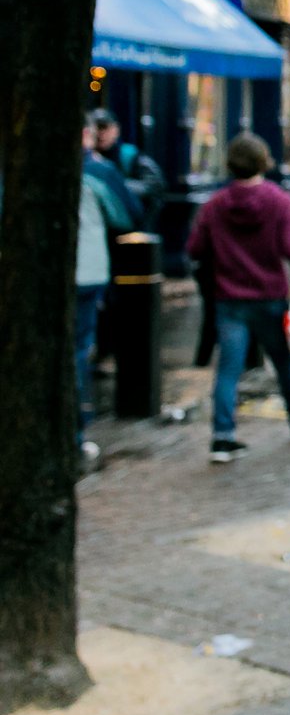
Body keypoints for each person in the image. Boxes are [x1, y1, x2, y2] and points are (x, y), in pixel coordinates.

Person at [184, 133, 290, 464]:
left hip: (229, 298)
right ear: (264, 162)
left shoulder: (214, 206)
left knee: (228, 369)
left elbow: (194, 249)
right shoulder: (280, 202)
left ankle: (222, 437)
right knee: (282, 360)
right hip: (269, 296)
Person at [77, 123, 142, 469]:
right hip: (86, 272)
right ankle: (75, 431)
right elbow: (128, 215)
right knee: (76, 349)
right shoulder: (98, 172)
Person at [89, 108, 165, 231]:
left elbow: (154, 185)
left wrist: (120, 186)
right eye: (96, 129)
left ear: (116, 130)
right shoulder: (88, 159)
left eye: (105, 128)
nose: (100, 134)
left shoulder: (129, 155)